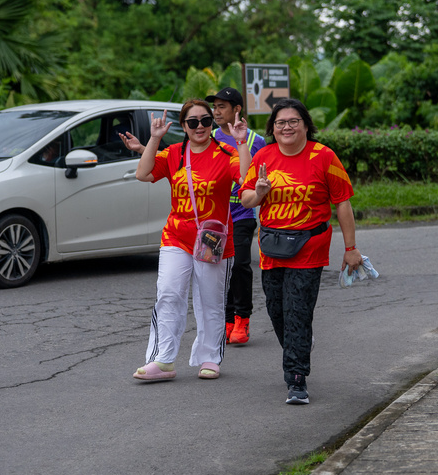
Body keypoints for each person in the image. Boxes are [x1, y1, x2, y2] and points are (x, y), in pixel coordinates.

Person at [240, 98, 362, 405]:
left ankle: (296, 379)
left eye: (293, 121)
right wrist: (260, 193)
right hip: (272, 247)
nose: (287, 127)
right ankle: (300, 342)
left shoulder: (324, 156)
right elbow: (246, 199)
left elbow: (342, 203)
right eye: (280, 123)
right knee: (277, 311)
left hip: (309, 246)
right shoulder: (264, 156)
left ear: (306, 125)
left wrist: (351, 248)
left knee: (297, 311)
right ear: (272, 128)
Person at [130, 100, 251, 381]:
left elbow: (246, 178)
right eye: (193, 122)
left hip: (212, 240)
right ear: (183, 126)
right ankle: (162, 360)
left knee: (210, 301)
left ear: (212, 123)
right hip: (177, 236)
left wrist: (242, 142)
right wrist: (155, 138)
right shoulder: (174, 152)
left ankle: (210, 358)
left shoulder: (226, 153)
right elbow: (142, 174)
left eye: (205, 121)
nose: (200, 127)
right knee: (168, 294)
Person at [205, 87, 266, 345]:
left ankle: (242, 318)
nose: (216, 112)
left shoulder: (256, 141)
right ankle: (227, 319)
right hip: (213, 218)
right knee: (218, 268)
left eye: (222, 107)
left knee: (240, 265)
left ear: (237, 109)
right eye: (214, 107)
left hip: (241, 214)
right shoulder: (208, 138)